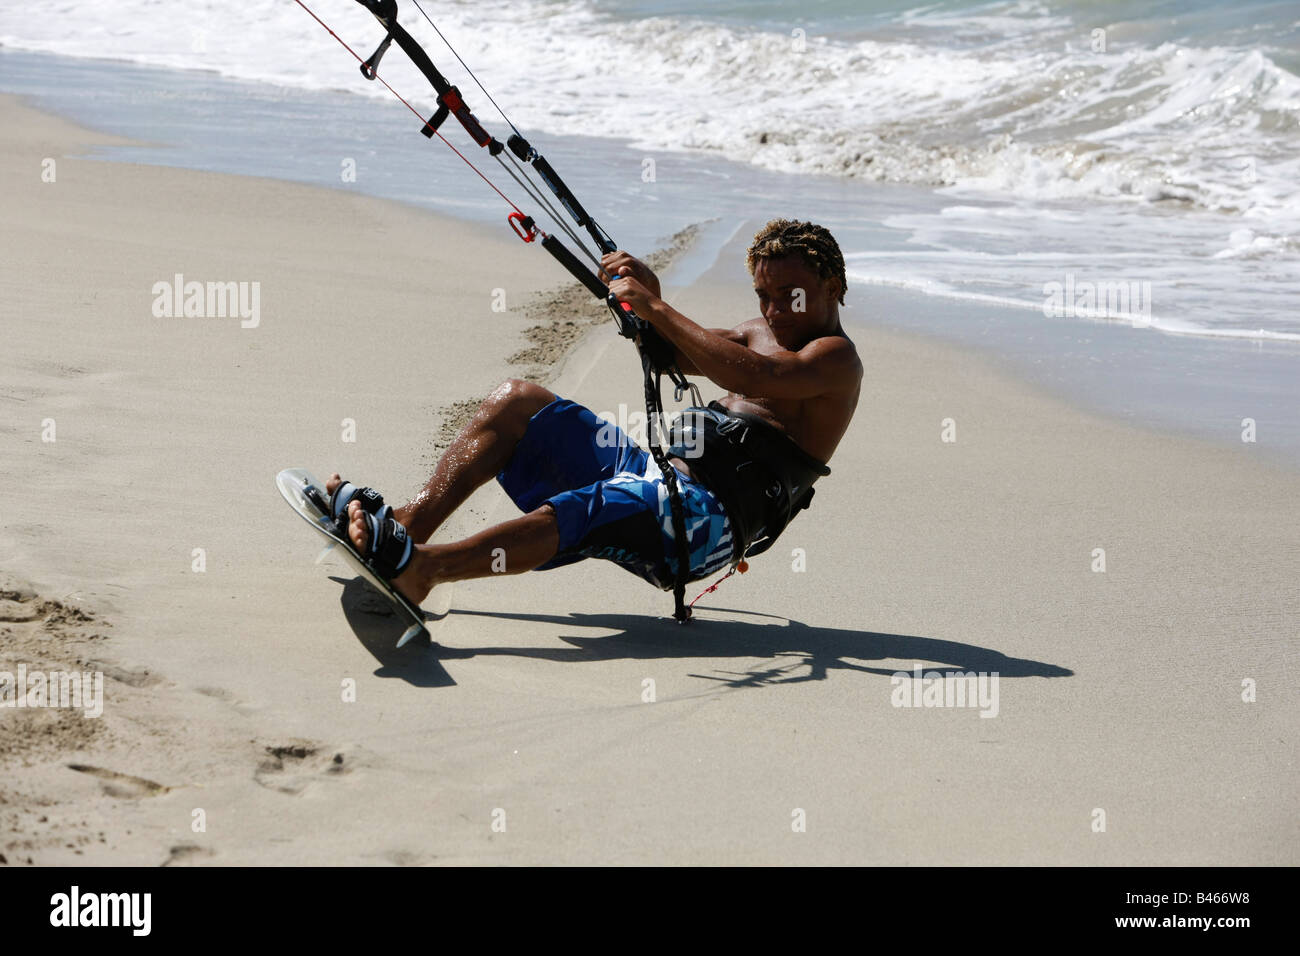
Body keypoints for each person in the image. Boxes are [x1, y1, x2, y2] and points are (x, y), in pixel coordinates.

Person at [326, 219, 863, 609]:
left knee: (590, 505)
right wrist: (648, 301)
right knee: (518, 399)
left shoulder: (836, 359)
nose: (774, 310)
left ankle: (424, 571)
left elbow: (754, 378)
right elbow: (667, 351)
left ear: (832, 288)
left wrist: (657, 307)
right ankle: (404, 528)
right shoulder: (758, 330)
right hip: (657, 472)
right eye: (764, 295)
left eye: (790, 296)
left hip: (706, 523)